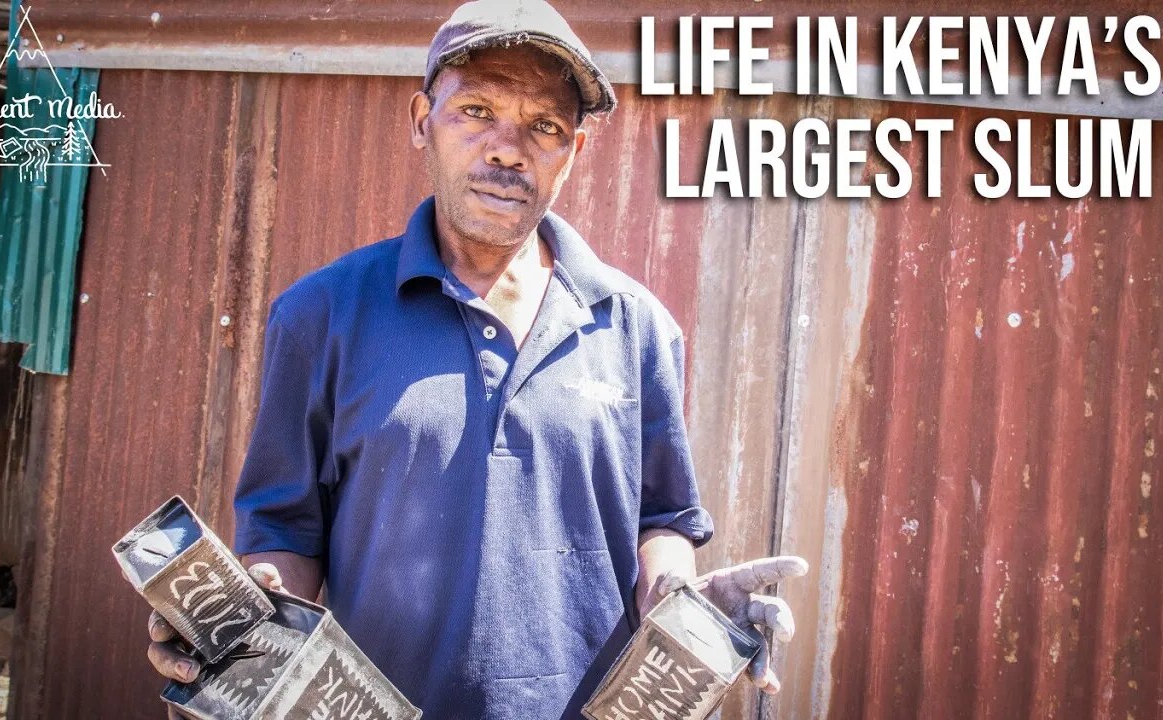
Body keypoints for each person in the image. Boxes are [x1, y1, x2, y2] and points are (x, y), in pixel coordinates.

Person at [145, 1, 808, 717]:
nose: (506, 147)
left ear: (574, 153)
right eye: (476, 111)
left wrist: (681, 599)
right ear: (421, 120)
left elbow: (664, 518)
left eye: (544, 125)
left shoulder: (635, 326)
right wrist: (242, 625)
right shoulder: (323, 315)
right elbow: (283, 534)